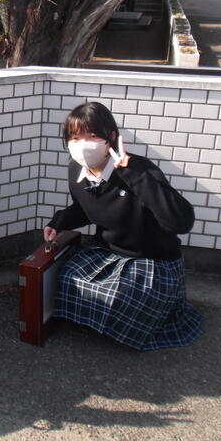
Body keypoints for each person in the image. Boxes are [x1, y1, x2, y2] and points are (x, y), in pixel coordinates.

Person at [44, 101, 203, 351]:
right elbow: (86, 209)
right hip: (109, 251)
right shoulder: (75, 170)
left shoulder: (139, 169)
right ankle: (102, 322)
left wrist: (133, 175)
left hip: (152, 259)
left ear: (111, 138)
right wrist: (58, 222)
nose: (82, 144)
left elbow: (181, 221)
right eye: (75, 137)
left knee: (127, 297)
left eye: (92, 136)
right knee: (68, 276)